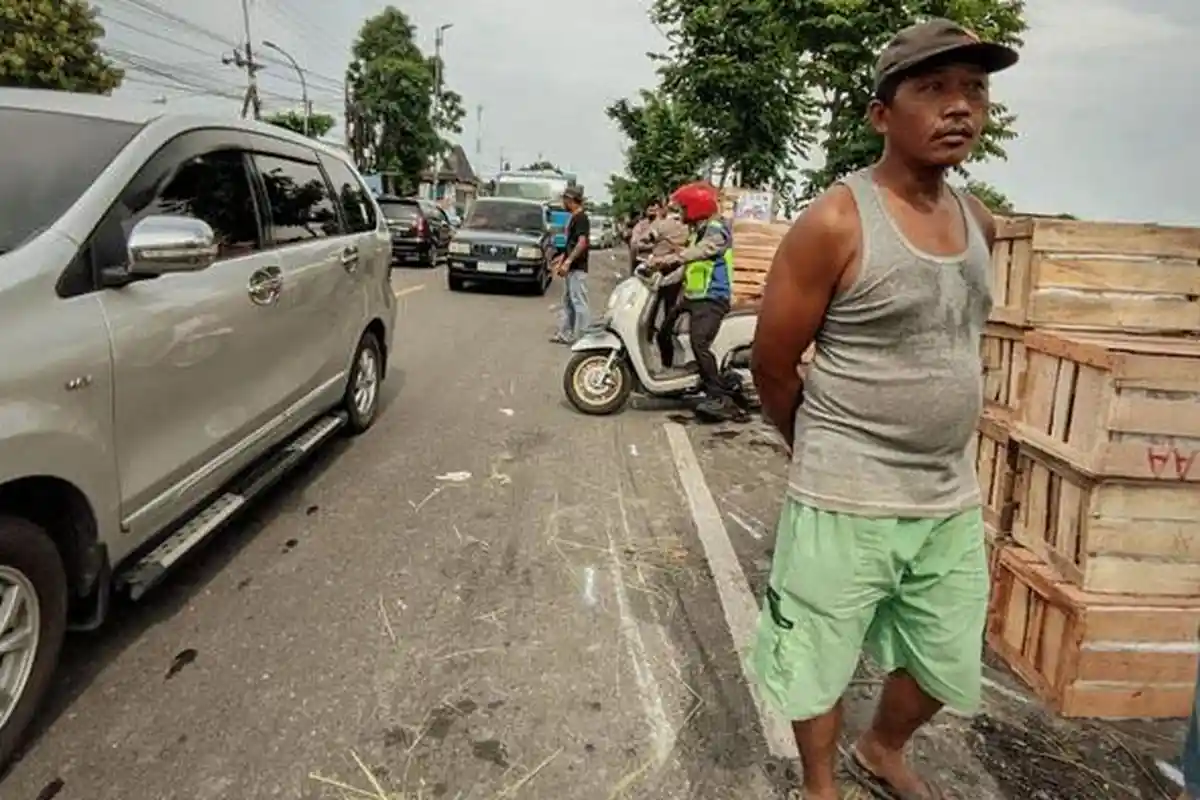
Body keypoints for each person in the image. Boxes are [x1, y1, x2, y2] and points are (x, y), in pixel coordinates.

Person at [747, 19, 1018, 800]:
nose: (959, 107)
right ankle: (821, 783)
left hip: (946, 494)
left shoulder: (980, 223)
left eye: (974, 88)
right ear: (880, 115)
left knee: (947, 653)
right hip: (844, 492)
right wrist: (822, 448)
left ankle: (883, 746)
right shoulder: (834, 222)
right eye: (933, 89)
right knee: (818, 656)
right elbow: (772, 365)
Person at [648, 181, 737, 422]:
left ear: (697, 207)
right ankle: (672, 380)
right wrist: (659, 280)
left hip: (713, 299)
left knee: (700, 343)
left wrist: (670, 258)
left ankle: (719, 398)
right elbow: (688, 267)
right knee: (663, 332)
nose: (682, 214)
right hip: (693, 298)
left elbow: (703, 252)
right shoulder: (698, 231)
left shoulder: (716, 230)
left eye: (684, 209)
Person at [550, 187, 591, 344]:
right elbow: (571, 243)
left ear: (571, 200)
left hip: (578, 267)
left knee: (579, 301)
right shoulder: (574, 217)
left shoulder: (581, 218)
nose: (563, 203)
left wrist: (568, 261)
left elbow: (581, 243)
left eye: (565, 200)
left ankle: (583, 336)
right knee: (568, 301)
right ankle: (566, 333)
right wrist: (561, 259)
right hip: (572, 267)